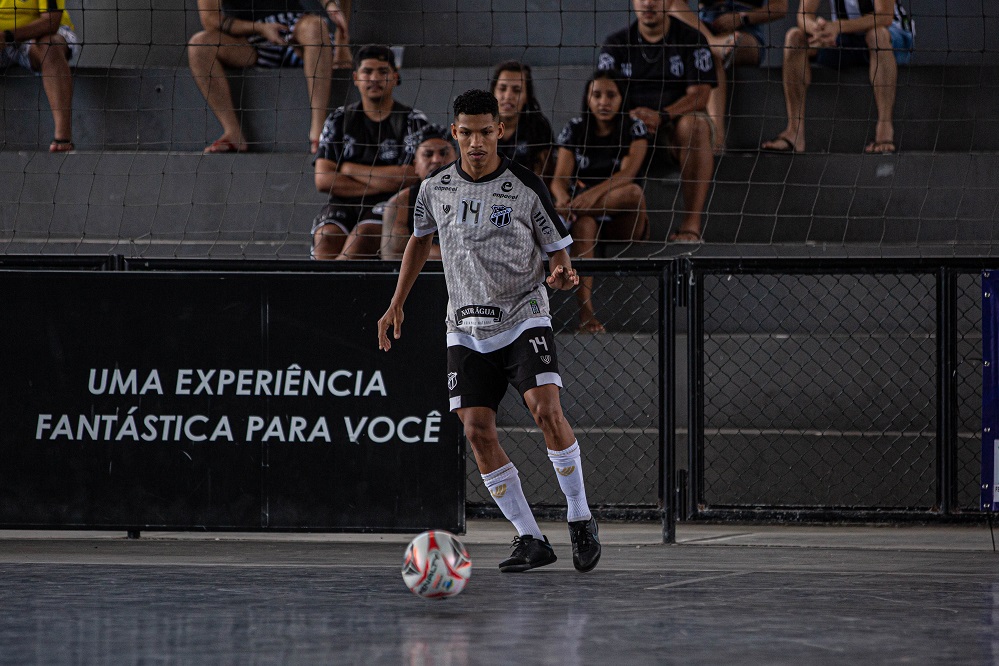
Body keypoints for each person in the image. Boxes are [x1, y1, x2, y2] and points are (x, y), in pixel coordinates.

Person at [377, 89, 601, 574]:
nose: (476, 141)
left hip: (523, 315)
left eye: (485, 131)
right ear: (454, 133)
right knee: (477, 430)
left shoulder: (524, 185)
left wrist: (563, 272)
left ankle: (580, 516)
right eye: (467, 132)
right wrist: (397, 303)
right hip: (465, 326)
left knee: (545, 409)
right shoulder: (434, 189)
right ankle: (530, 536)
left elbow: (559, 251)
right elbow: (418, 242)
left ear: (499, 131)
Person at [599, 0, 717, 243]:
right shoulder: (616, 43)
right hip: (627, 128)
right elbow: (603, 91)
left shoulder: (691, 39)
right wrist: (633, 117)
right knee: (600, 123)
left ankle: (691, 226)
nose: (649, 3)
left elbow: (701, 95)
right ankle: (627, 228)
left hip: (671, 128)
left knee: (696, 125)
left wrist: (662, 115)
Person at [551, 70, 650, 333]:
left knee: (633, 193)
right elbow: (559, 178)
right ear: (588, 98)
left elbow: (628, 175)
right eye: (597, 95)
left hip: (621, 218)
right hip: (585, 219)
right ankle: (586, 314)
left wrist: (588, 196)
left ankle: (573, 213)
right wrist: (562, 198)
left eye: (611, 95)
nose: (603, 102)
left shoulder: (633, 127)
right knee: (583, 223)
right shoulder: (575, 128)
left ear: (621, 99)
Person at [312, 45, 429, 260]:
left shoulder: (414, 121)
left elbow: (412, 176)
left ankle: (329, 291)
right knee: (326, 237)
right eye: (367, 71)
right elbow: (323, 180)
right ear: (356, 77)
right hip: (344, 203)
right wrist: (385, 177)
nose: (374, 78)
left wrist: (348, 169)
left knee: (362, 237)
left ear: (395, 77)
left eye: (383, 72)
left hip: (391, 202)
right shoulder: (339, 119)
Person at [188, 0, 349, 154]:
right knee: (199, 45)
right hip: (247, 38)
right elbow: (210, 19)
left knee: (316, 26)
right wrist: (259, 28)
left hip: (294, 27)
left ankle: (319, 134)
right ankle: (233, 132)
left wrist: (330, 5)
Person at [760, 0, 914, 155]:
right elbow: (803, 15)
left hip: (890, 36)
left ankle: (885, 131)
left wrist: (838, 26)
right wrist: (817, 30)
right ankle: (794, 132)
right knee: (794, 37)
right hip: (843, 38)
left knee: (876, 35)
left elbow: (884, 17)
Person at [669, 0, 789, 153]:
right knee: (707, 51)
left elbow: (780, 8)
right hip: (705, 28)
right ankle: (711, 43)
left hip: (746, 32)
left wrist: (741, 17)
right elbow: (673, 4)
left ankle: (717, 141)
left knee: (707, 52)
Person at [0, 0, 79, 152]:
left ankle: (63, 139)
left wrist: (8, 36)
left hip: (38, 34)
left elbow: (51, 20)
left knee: (51, 45)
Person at [380, 124, 456, 261]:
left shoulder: (473, 197)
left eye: (444, 153)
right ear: (415, 165)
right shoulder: (400, 203)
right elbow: (393, 256)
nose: (437, 160)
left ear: (457, 161)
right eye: (428, 154)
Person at [490, 61, 555, 179]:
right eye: (502, 88)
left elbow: (544, 176)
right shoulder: (480, 125)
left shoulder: (538, 127)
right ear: (493, 91)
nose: (508, 96)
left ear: (527, 96)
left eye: (517, 90)